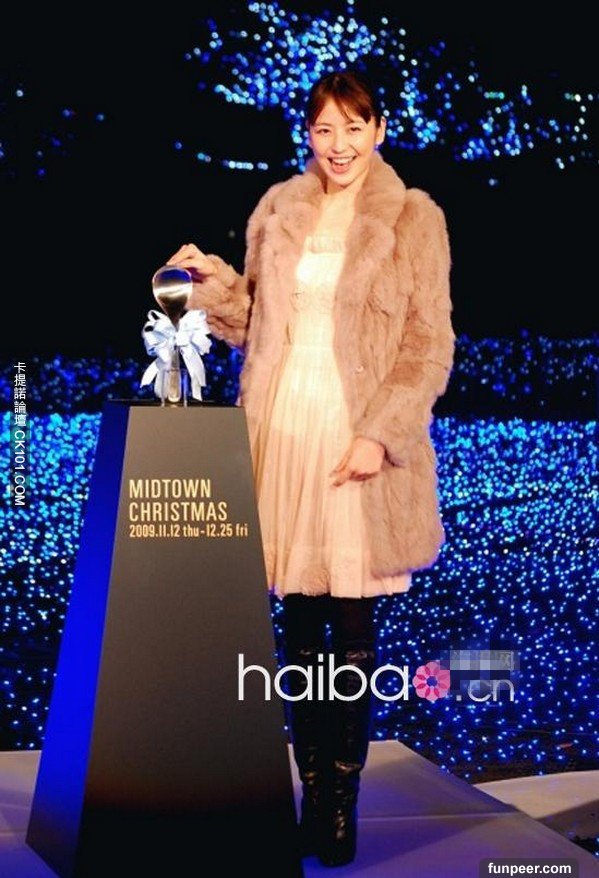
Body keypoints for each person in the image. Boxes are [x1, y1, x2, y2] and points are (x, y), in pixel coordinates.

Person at [165, 69, 455, 867]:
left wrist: (381, 436)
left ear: (378, 131)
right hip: (283, 428)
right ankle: (310, 789)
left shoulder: (413, 217)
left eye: (353, 128)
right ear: (308, 134)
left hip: (354, 431)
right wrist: (209, 285)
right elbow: (253, 322)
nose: (339, 144)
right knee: (295, 621)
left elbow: (427, 346)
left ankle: (339, 802)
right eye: (324, 129)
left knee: (352, 624)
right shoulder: (279, 208)